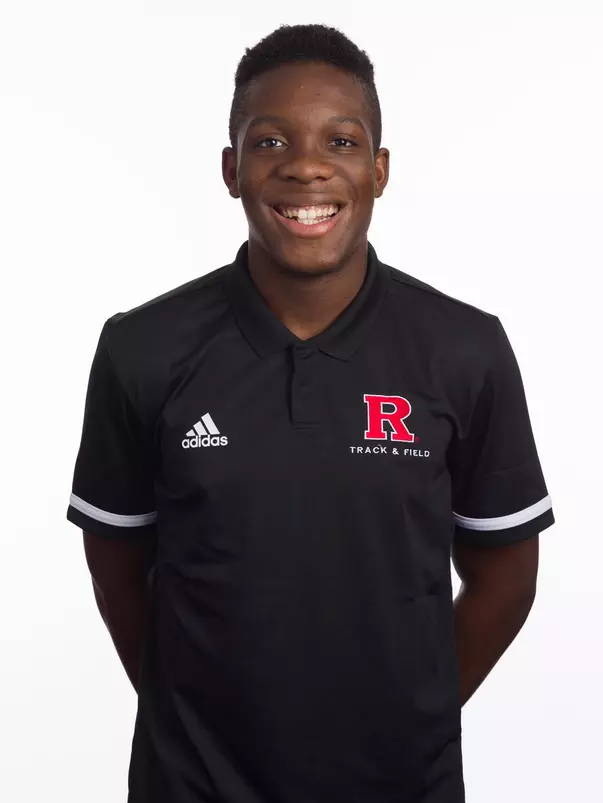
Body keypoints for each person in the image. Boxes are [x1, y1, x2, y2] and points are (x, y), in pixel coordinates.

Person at [66, 23, 555, 803]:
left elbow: (506, 576)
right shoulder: (144, 348)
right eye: (268, 142)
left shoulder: (464, 349)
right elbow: (115, 565)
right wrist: (192, 717)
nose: (305, 165)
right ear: (230, 169)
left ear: (378, 169)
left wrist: (407, 716)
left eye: (341, 140)